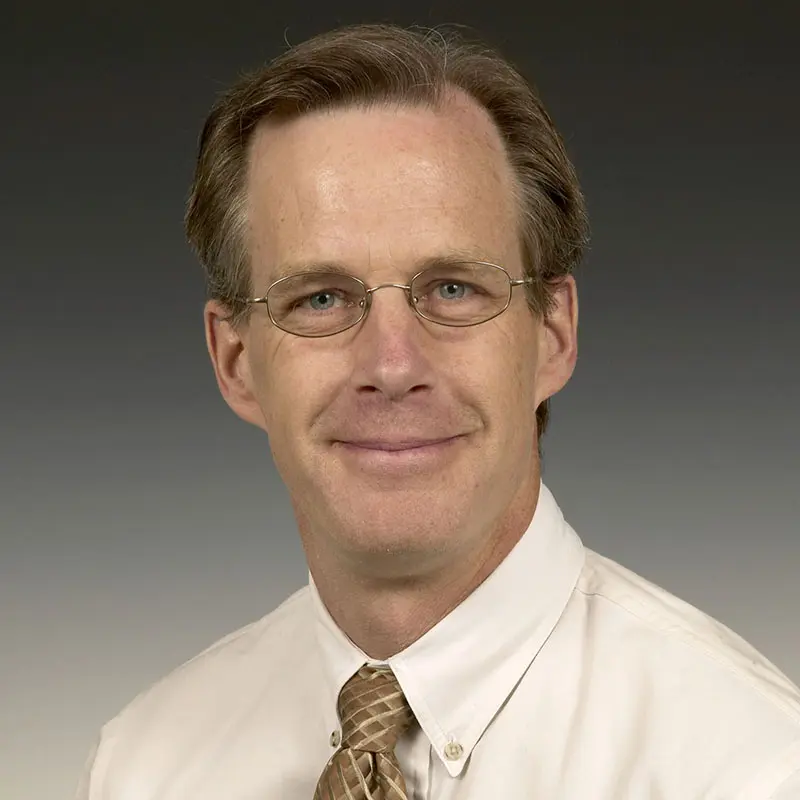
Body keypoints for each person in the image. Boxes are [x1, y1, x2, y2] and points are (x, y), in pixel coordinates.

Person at [75, 22, 800, 799]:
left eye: (454, 288)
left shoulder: (751, 765)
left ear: (552, 334)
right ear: (236, 361)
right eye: (320, 298)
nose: (392, 365)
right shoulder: (145, 767)